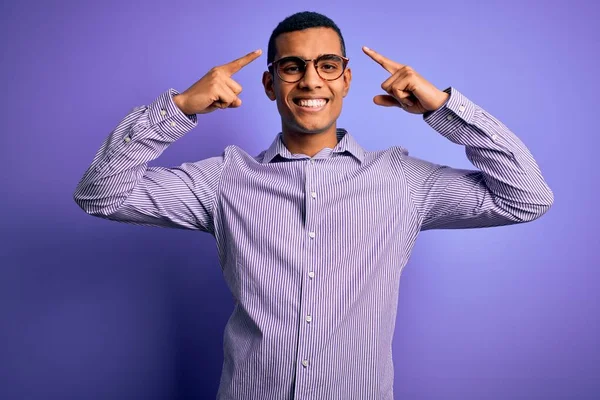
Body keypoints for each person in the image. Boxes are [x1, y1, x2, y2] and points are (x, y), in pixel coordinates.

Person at [73, 10, 553, 400]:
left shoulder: (402, 180)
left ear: (345, 80)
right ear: (269, 84)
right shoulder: (225, 180)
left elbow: (526, 197)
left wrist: (441, 107)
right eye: (291, 66)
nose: (310, 81)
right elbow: (100, 194)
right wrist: (178, 108)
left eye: (326, 66)